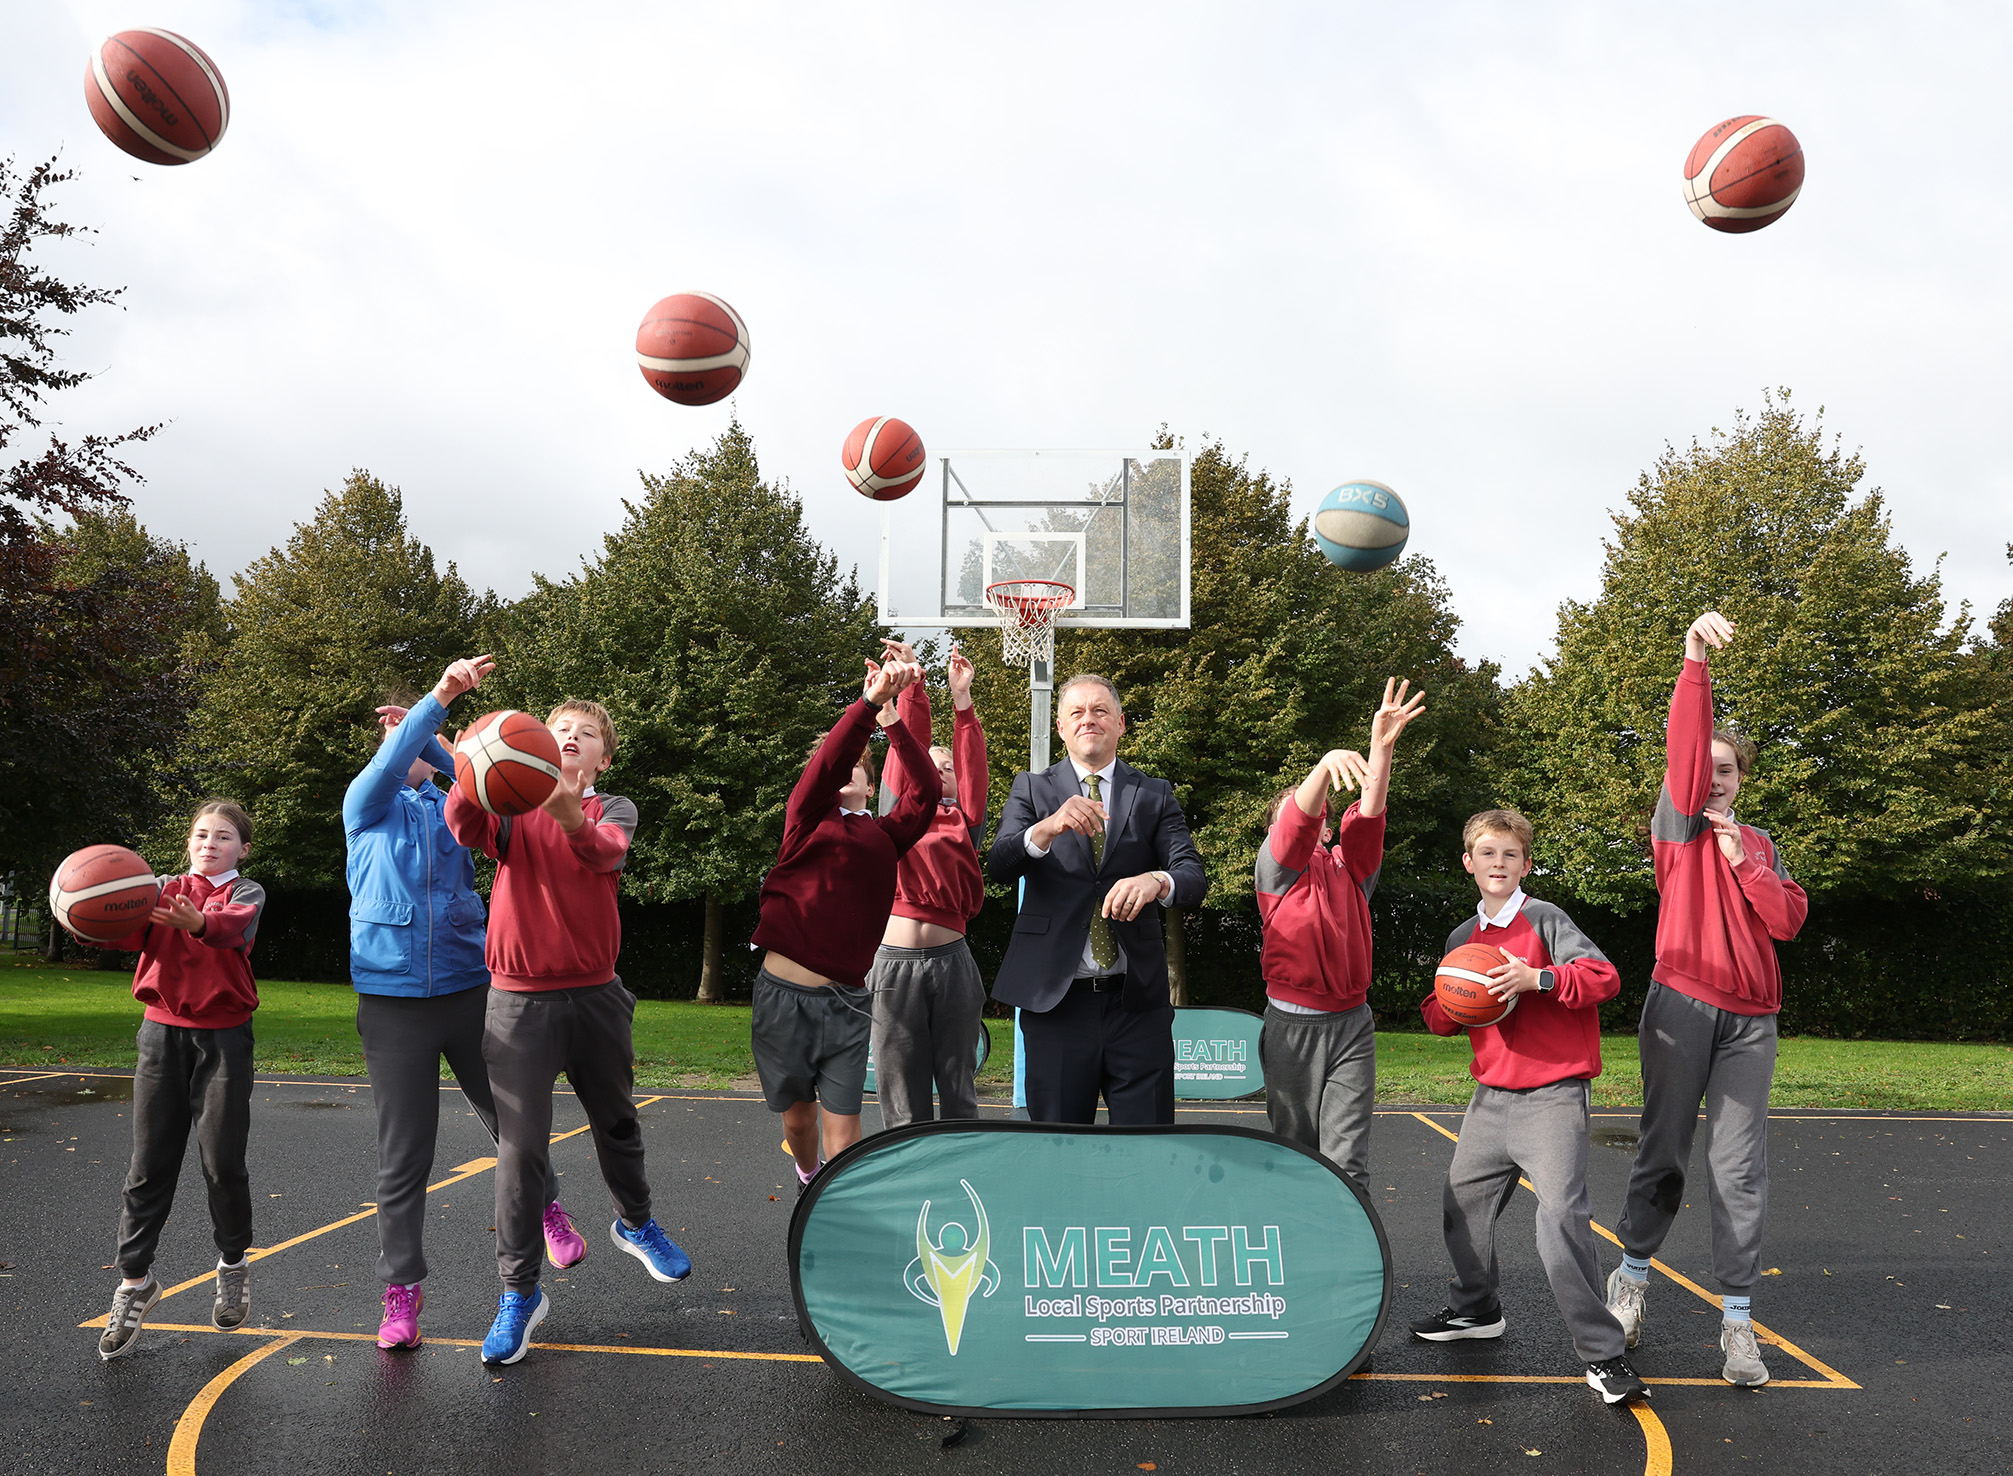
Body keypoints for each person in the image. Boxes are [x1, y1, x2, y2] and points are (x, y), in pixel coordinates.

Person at [344, 656, 585, 1352]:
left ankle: (548, 1209)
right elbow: (388, 769)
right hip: (391, 1006)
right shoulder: (364, 809)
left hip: (468, 990)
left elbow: (491, 777)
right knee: (403, 1159)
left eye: (415, 749)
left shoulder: (458, 811)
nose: (407, 757)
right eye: (399, 748)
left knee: (512, 1124)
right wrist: (429, 709)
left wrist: (436, 738)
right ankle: (402, 1295)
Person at [445, 699, 690, 1366]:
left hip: (596, 997)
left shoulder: (612, 809)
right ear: (536, 748)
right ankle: (519, 1293)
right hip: (518, 1007)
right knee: (520, 1155)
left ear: (602, 758)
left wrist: (564, 811)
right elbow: (463, 821)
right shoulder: (511, 812)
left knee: (617, 1122)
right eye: (560, 733)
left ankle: (635, 1223)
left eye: (586, 736)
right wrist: (467, 760)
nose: (572, 739)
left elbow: (603, 854)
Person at [1606, 610, 1808, 1388]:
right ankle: (1629, 1281)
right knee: (1663, 1154)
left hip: (1750, 1024)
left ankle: (1737, 1324)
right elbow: (1686, 753)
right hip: (1681, 1006)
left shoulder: (1755, 843)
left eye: (1727, 771)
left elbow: (1786, 919)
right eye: (1705, 769)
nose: (1713, 778)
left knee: (1739, 1169)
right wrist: (1693, 661)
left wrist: (1744, 861)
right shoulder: (1675, 826)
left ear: (1742, 780)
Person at [1410, 808, 1648, 1406]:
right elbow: (1444, 1016)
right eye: (1487, 853)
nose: (1498, 864)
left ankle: (1603, 1355)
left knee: (1561, 1221)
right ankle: (1476, 1310)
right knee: (1461, 1207)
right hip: (1490, 1098)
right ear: (1469, 862)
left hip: (1552, 1095)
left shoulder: (1545, 918)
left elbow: (1603, 976)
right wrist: (1448, 1001)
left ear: (1526, 864)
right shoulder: (1462, 939)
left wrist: (1536, 980)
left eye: (1510, 855)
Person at [986, 673, 1207, 1126]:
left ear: (1121, 723)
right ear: (1062, 727)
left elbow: (1192, 875)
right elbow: (1000, 866)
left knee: (1147, 1151)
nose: (1090, 719)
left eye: (1101, 710)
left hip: (1136, 1006)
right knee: (1060, 1150)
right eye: (1077, 712)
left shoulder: (1153, 793)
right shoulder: (1031, 788)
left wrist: (1156, 881)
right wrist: (1046, 828)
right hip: (1055, 1003)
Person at [752, 652, 936, 1189]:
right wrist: (869, 701)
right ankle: (807, 1170)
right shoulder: (806, 819)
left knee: (845, 1122)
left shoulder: (885, 836)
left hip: (849, 1000)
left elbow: (924, 791)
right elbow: (830, 759)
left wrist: (893, 722)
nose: (844, 769)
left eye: (858, 764)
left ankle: (837, 1211)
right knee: (798, 1118)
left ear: (869, 777)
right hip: (783, 995)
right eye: (839, 764)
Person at [92, 800, 266, 1361]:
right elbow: (123, 934)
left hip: (223, 1040)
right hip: (159, 1036)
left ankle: (233, 1265)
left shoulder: (246, 894)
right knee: (148, 1166)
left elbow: (228, 931)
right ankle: (134, 1280)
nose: (209, 843)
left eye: (222, 836)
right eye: (201, 834)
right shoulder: (156, 887)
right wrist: (90, 911)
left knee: (221, 1162)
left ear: (242, 848)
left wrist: (198, 922)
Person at [1255, 678, 1425, 1188]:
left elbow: (1369, 818)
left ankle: (1354, 1266)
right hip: (1291, 1028)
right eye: (1305, 809)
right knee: (1295, 1152)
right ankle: (1297, 1253)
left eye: (1322, 813)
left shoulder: (1351, 870)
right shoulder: (1274, 872)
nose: (1314, 814)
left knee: (1347, 1161)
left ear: (1329, 828)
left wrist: (1381, 748)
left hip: (1352, 1023)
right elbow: (1294, 825)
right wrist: (1326, 764)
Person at [868, 643, 991, 1130]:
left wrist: (962, 700)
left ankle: (965, 1179)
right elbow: (907, 751)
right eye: (932, 763)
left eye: (948, 766)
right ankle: (906, 1184)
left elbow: (972, 763)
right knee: (900, 1092)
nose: (940, 767)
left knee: (957, 1086)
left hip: (953, 964)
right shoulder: (897, 817)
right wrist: (913, 686)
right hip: (893, 965)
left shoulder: (966, 820)